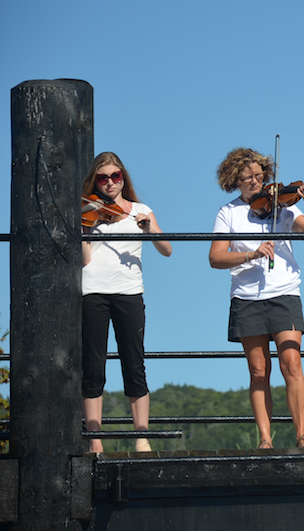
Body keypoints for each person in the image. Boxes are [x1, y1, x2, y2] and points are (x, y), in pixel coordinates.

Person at [209, 148, 304, 449]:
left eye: (259, 176)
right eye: (247, 178)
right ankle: (265, 439)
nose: (255, 182)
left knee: (292, 363)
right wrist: (251, 254)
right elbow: (216, 257)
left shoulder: (284, 208)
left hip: (284, 291)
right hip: (247, 297)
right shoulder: (228, 212)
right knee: (259, 371)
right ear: (235, 180)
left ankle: (302, 436)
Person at [81, 152, 173, 453]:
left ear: (123, 178)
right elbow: (85, 260)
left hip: (129, 292)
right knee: (93, 365)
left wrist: (149, 229)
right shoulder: (87, 212)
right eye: (102, 178)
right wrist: (82, 229)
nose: (109, 182)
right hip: (92, 291)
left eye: (115, 176)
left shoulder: (141, 211)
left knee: (134, 364)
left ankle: (141, 438)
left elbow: (166, 250)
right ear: (95, 180)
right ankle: (95, 441)